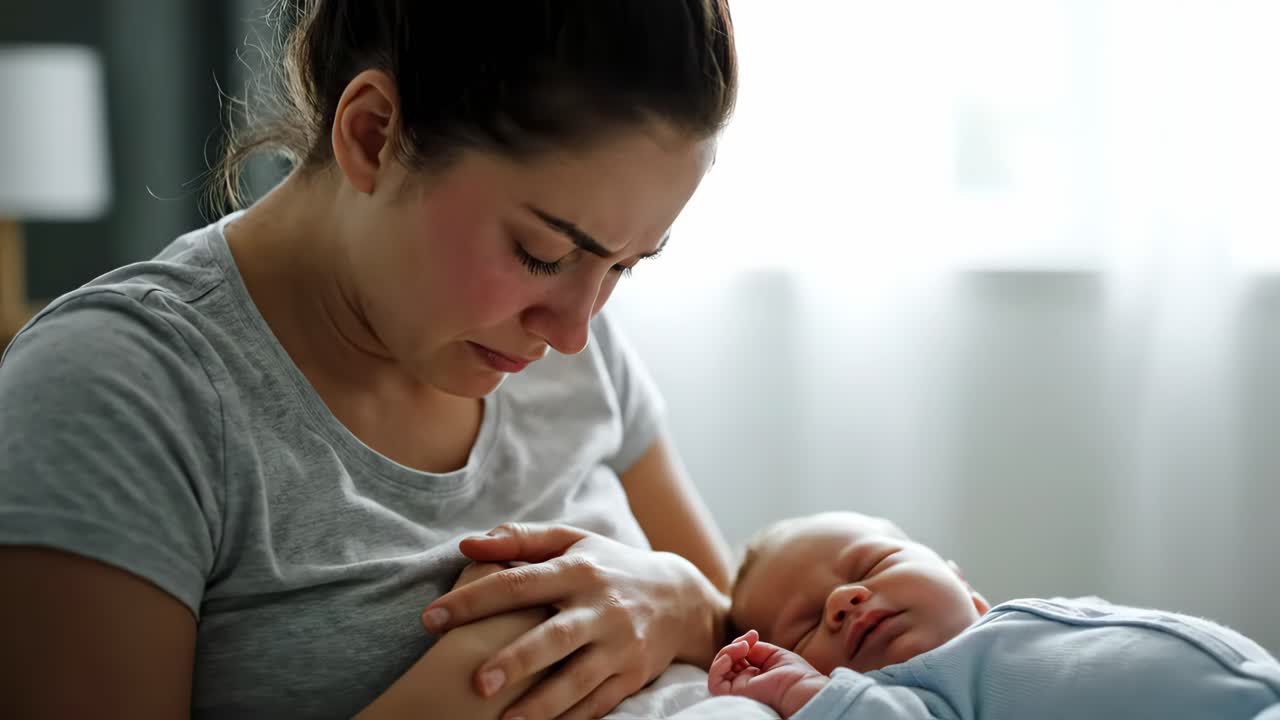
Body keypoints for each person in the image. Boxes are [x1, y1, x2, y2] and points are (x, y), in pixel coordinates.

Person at [0, 2, 738, 718]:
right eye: (541, 254)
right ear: (373, 133)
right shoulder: (120, 392)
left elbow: (741, 629)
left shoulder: (566, 341)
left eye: (624, 268)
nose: (574, 331)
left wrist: (675, 602)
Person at [709, 511, 1280, 719]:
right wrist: (807, 695)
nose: (843, 601)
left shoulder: (1003, 633)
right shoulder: (920, 699)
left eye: (872, 563)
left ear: (961, 583)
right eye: (806, 626)